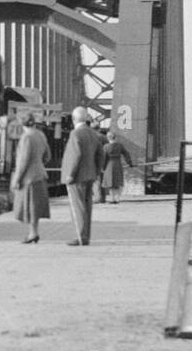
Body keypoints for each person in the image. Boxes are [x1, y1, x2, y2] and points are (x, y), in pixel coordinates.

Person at [60, 106, 103, 247]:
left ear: (74, 119)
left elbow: (75, 155)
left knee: (77, 207)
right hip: (90, 175)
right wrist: (96, 171)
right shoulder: (93, 134)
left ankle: (80, 236)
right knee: (87, 206)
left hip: (77, 177)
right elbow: (100, 155)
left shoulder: (75, 134)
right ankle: (86, 236)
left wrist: (70, 175)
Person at [10, 113, 51, 243]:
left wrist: (17, 179)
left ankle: (32, 233)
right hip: (40, 174)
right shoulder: (41, 135)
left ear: (22, 124)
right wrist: (39, 164)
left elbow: (23, 161)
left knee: (29, 206)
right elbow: (47, 156)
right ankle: (34, 232)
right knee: (35, 206)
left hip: (28, 177)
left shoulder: (26, 137)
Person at [102, 130, 130, 204]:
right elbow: (126, 153)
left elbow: (104, 158)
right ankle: (118, 198)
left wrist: (103, 167)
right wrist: (129, 162)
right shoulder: (120, 145)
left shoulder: (106, 147)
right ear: (115, 137)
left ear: (108, 138)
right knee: (118, 181)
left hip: (109, 165)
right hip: (118, 163)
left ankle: (113, 198)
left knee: (110, 183)